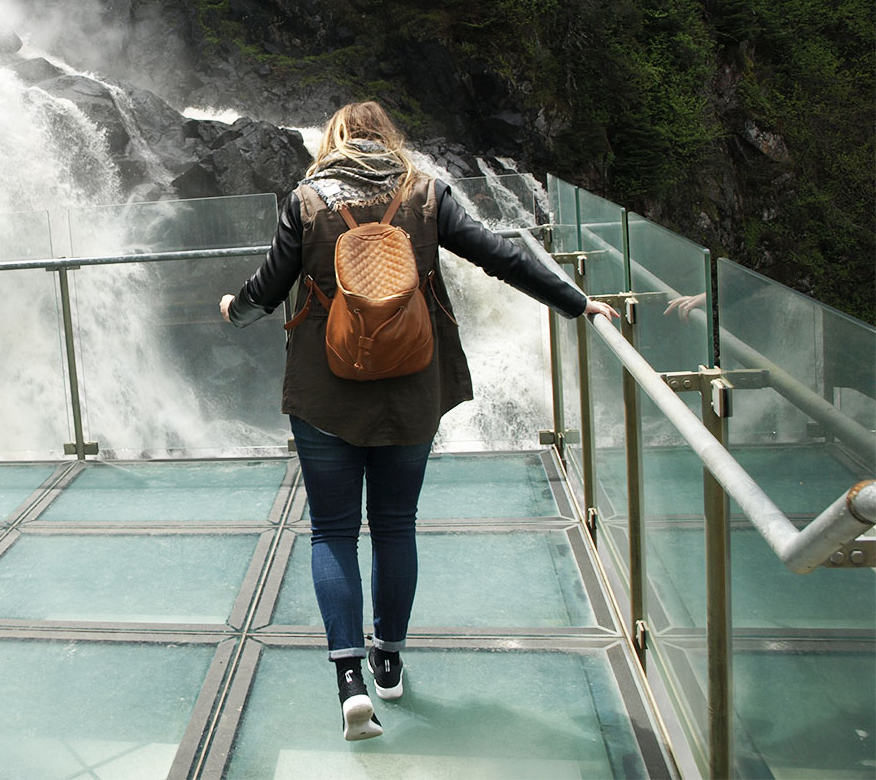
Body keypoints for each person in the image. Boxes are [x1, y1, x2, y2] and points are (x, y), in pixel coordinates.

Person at [218, 101, 618, 742]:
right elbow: (500, 256)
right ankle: (390, 660)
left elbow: (264, 293)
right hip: (412, 387)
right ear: (388, 141)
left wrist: (232, 309)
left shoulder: (307, 202)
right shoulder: (425, 195)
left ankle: (350, 682)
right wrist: (575, 302)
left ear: (336, 142)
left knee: (332, 534)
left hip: (327, 394)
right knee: (396, 526)